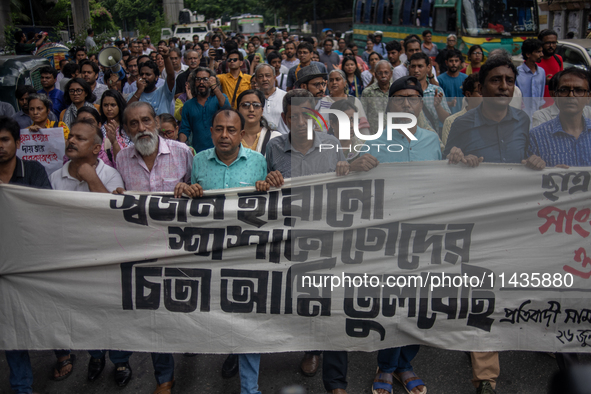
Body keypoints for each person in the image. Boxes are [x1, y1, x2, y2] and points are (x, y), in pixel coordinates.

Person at [173, 108, 269, 394]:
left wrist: (267, 187)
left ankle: (249, 388)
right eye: (218, 129)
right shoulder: (199, 161)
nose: (224, 135)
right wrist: (184, 189)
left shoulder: (259, 162)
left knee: (249, 319)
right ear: (211, 131)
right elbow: (188, 199)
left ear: (241, 133)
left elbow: (269, 206)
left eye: (231, 130)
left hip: (246, 255)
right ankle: (228, 351)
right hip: (208, 254)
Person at [265, 90, 349, 394]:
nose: (301, 121)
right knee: (308, 300)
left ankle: (336, 381)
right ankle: (313, 348)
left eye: (307, 114)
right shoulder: (274, 147)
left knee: (336, 303)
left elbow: (348, 182)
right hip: (293, 237)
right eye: (294, 115)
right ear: (285, 118)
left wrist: (346, 170)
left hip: (331, 235)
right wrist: (268, 182)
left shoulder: (332, 144)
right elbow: (263, 189)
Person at [113, 101, 192, 394]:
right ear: (126, 129)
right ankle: (164, 377)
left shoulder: (183, 154)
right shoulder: (120, 159)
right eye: (133, 124)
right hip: (140, 249)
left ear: (157, 122)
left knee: (181, 308)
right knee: (151, 312)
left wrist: (190, 191)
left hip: (179, 248)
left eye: (146, 121)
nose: (141, 128)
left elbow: (202, 199)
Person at [0, 116, 52, 394]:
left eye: (4, 140)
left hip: (32, 257)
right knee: (9, 324)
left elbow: (45, 211)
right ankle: (22, 386)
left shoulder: (33, 170)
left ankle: (62, 351)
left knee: (44, 315)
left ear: (18, 143)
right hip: (2, 262)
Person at [528, 67, 591, 167]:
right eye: (564, 90)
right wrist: (549, 171)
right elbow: (529, 178)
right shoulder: (537, 137)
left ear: (588, 97)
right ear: (555, 95)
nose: (571, 95)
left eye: (578, 90)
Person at [49, 118, 123, 192]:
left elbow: (111, 203)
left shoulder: (111, 175)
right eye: (69, 137)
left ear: (96, 148)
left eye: (80, 138)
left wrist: (92, 179)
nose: (71, 141)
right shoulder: (54, 177)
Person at [179, 67, 231, 154]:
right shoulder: (188, 105)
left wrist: (214, 86)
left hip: (220, 151)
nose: (201, 82)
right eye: (198, 79)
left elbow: (227, 111)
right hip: (198, 153)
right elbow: (184, 129)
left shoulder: (219, 98)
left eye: (205, 79)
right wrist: (180, 146)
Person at [128, 46, 176, 116]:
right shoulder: (133, 95)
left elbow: (171, 76)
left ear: (156, 77)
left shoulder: (164, 92)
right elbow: (128, 113)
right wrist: (139, 91)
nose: (144, 77)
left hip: (162, 127)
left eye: (148, 74)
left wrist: (166, 57)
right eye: (142, 74)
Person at [409, 52, 450, 133]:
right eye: (413, 66)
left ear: (428, 68)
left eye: (420, 66)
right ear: (409, 68)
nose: (416, 70)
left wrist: (438, 106)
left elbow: (446, 120)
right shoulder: (404, 91)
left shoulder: (436, 91)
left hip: (432, 138)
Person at [441, 73, 482, 146]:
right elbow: (448, 153)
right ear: (468, 95)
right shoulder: (451, 122)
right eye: (480, 92)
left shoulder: (494, 119)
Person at [237, 89, 281, 153]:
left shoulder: (275, 138)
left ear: (262, 111)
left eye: (256, 105)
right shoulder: (229, 137)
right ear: (237, 110)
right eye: (245, 105)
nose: (251, 109)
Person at [98, 90, 132, 167]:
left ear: (119, 106)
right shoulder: (100, 128)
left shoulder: (128, 127)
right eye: (105, 105)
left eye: (113, 105)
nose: (109, 109)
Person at [516, 39, 546, 120]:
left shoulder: (541, 72)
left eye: (541, 51)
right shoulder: (517, 73)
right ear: (528, 54)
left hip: (536, 117)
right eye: (538, 52)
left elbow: (540, 97)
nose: (541, 54)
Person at [254, 63, 288, 133]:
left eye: (268, 76)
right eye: (260, 76)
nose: (264, 79)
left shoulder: (285, 97)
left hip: (283, 139)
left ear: (274, 78)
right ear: (256, 79)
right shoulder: (252, 98)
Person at [362, 60, 393, 132]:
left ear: (391, 74)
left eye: (386, 72)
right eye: (380, 73)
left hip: (393, 134)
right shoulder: (368, 92)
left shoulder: (396, 91)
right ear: (375, 75)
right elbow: (363, 116)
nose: (383, 76)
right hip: (374, 134)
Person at [538, 29, 564, 108]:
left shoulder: (558, 59)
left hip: (556, 106)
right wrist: (543, 82)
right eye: (548, 43)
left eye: (554, 43)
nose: (551, 46)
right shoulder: (532, 61)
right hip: (538, 107)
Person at [437, 49, 468, 114]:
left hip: (463, 115)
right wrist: (450, 103)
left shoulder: (466, 78)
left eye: (456, 61)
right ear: (446, 62)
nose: (454, 63)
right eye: (451, 61)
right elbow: (438, 101)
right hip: (445, 116)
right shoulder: (440, 79)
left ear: (460, 62)